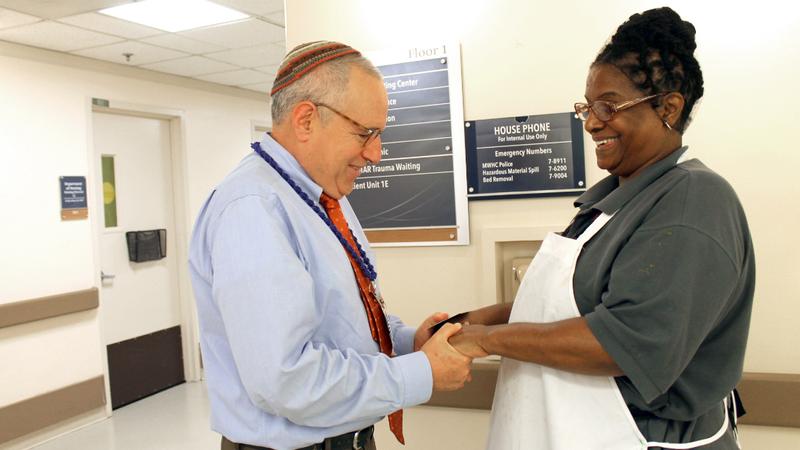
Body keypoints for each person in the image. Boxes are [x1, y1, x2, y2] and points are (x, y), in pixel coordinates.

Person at [450, 7, 754, 450]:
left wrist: (487, 340)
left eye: (608, 107)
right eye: (588, 108)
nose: (592, 123)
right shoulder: (610, 198)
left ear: (668, 107)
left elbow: (624, 342)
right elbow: (573, 308)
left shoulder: (693, 200)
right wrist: (476, 319)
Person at [189, 41, 472, 450]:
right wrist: (422, 373)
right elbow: (286, 380)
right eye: (365, 133)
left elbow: (342, 318)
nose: (375, 154)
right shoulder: (253, 208)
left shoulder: (320, 196)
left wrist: (410, 342)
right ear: (306, 120)